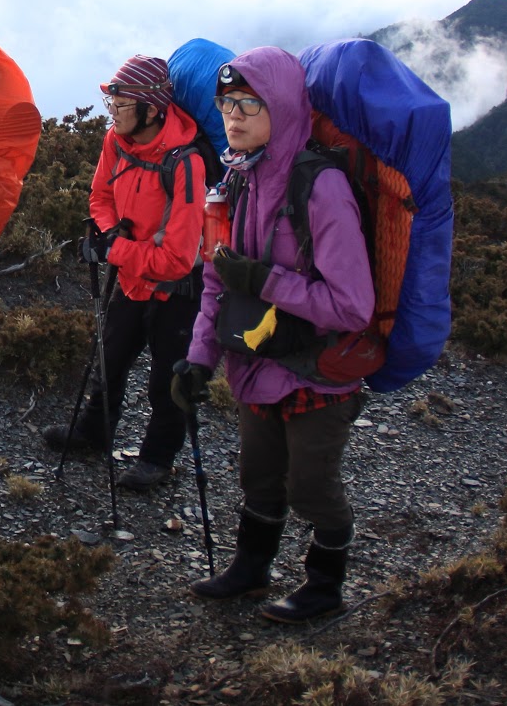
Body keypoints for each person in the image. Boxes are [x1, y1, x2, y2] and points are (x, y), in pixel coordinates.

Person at [171, 47, 374, 623]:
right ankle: (251, 569)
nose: (232, 117)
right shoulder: (236, 180)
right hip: (256, 362)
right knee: (258, 476)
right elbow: (216, 284)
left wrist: (266, 281)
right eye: (225, 104)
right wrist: (198, 361)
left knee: (311, 486)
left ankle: (324, 587)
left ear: (281, 108)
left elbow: (353, 306)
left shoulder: (322, 188)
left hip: (318, 369)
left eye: (248, 104)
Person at [42, 55, 206, 491]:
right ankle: (95, 431)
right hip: (133, 277)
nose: (111, 112)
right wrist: (112, 229)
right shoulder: (117, 141)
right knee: (108, 357)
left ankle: (157, 459)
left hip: (177, 290)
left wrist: (115, 248)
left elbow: (177, 258)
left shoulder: (186, 165)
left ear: (152, 109)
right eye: (111, 102)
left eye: (121, 103)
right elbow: (100, 194)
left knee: (167, 378)